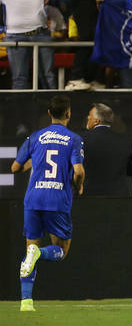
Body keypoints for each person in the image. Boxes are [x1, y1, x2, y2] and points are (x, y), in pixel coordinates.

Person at [12, 96, 83, 312]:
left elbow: (15, 168)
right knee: (61, 251)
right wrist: (78, 186)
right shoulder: (73, 139)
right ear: (68, 114)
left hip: (33, 198)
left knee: (29, 249)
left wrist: (33, 162)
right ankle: (40, 253)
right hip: (57, 199)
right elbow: (78, 171)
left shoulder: (35, 137)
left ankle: (26, 302)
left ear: (50, 113)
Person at [81, 103, 132, 196]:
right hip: (117, 198)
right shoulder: (125, 141)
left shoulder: (81, 139)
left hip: (89, 197)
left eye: (89, 116)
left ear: (96, 121)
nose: (87, 118)